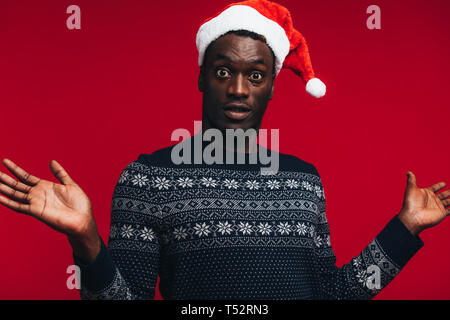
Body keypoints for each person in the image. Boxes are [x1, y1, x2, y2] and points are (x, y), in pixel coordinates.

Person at [0, 0, 449, 300]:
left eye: (255, 75)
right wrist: (87, 239)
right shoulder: (148, 178)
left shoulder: (302, 180)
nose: (238, 89)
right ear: (201, 78)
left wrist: (405, 227)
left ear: (272, 87)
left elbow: (332, 294)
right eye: (222, 71)